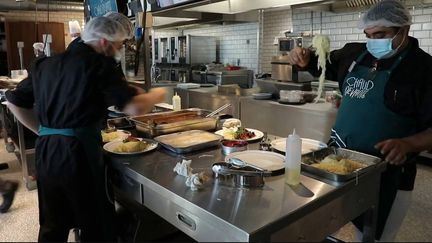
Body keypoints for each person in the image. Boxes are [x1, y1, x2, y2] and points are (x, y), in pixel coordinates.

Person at [5, 16, 166, 241]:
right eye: (119, 44)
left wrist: (43, 131)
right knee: (95, 222)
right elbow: (134, 108)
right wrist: (158, 93)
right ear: (104, 42)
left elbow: (13, 101)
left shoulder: (46, 64)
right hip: (79, 154)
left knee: (53, 223)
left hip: (47, 151)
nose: (120, 50)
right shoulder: (100, 63)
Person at [288, 0, 432, 241]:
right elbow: (319, 64)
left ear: (404, 29)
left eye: (381, 34)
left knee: (371, 236)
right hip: (335, 163)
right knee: (318, 225)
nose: (374, 41)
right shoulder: (355, 54)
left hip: (387, 175)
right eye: (368, 35)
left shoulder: (423, 69)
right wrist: (304, 58)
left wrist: (410, 144)